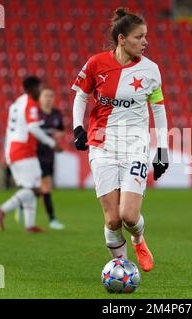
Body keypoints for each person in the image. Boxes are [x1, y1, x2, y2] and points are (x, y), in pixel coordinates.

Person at [71, 8, 169, 272]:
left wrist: (162, 150)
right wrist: (77, 128)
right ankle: (122, 268)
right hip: (102, 146)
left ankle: (138, 239)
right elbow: (81, 95)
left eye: (146, 36)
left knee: (128, 215)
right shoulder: (96, 63)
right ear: (122, 39)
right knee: (113, 220)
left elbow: (158, 109)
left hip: (135, 146)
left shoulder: (151, 70)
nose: (145, 42)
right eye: (139, 37)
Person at [0, 76, 61, 233]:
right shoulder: (30, 103)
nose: (40, 91)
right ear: (31, 89)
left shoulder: (17, 103)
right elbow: (33, 128)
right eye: (38, 88)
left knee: (33, 186)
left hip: (14, 148)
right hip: (23, 150)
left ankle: (29, 225)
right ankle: (2, 210)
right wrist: (52, 143)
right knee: (36, 189)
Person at [36, 86, 65, 229]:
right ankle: (52, 219)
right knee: (45, 186)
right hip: (34, 154)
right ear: (40, 98)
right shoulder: (35, 113)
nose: (48, 99)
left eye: (51, 96)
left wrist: (58, 135)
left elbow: (60, 130)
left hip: (49, 155)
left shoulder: (57, 114)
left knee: (42, 187)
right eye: (45, 95)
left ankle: (22, 204)